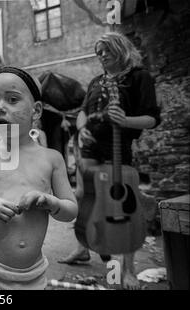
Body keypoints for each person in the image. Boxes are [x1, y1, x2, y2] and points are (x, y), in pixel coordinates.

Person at [0, 66, 78, 290]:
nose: (0, 107)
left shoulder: (52, 159)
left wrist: (51, 202)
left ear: (37, 110)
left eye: (12, 99)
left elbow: (70, 210)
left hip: (34, 276)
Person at [58, 32, 161, 290]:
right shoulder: (96, 81)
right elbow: (82, 112)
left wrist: (125, 121)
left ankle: (128, 269)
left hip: (118, 149)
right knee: (84, 196)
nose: (101, 55)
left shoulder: (139, 77)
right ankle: (83, 248)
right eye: (98, 52)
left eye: (106, 50)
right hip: (90, 149)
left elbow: (151, 118)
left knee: (125, 205)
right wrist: (82, 130)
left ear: (120, 48)